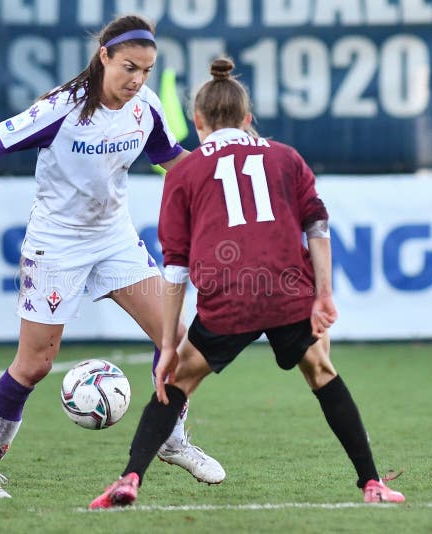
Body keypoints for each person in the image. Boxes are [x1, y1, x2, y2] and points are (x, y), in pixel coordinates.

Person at [0, 14, 225, 499]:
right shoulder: (61, 108)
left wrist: (224, 172)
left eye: (146, 70)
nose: (138, 80)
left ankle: (172, 438)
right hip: (57, 243)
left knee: (176, 339)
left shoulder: (144, 107)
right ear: (103, 56)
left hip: (115, 239)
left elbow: (170, 158)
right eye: (129, 67)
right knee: (35, 364)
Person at [89, 57, 405, 509]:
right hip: (286, 291)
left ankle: (130, 479)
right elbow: (318, 226)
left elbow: (175, 269)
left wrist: (167, 346)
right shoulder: (285, 158)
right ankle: (372, 484)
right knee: (321, 372)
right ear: (248, 119)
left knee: (176, 382)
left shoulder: (185, 172)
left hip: (228, 297)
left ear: (198, 123)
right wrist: (325, 295)